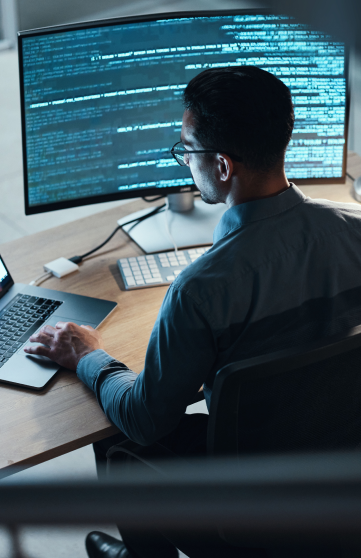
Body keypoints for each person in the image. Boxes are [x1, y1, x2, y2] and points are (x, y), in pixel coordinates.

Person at [25, 66, 361, 558]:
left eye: (186, 149)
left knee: (119, 439)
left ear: (222, 166)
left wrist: (88, 357)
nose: (184, 160)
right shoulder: (354, 228)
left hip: (247, 503)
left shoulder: (200, 289)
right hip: (339, 468)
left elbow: (145, 419)